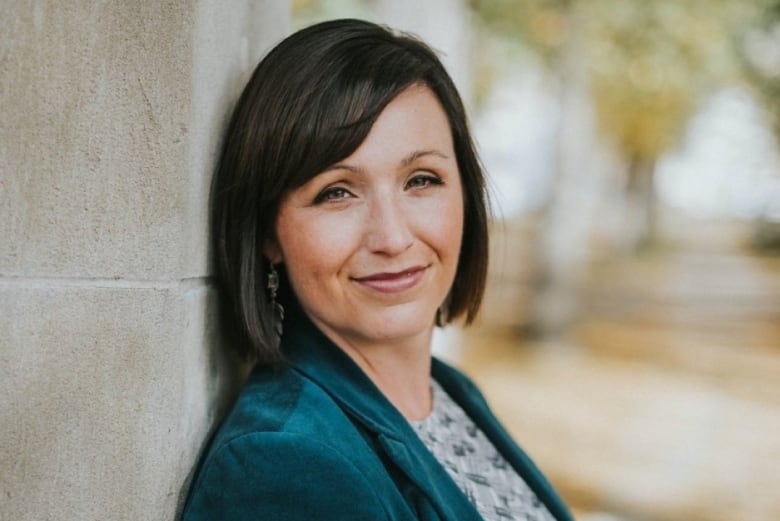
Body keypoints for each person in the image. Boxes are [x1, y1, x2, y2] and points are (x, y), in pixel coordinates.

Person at [182, 18, 573, 521]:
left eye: (422, 180)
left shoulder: (448, 393)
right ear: (269, 234)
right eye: (336, 192)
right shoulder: (282, 464)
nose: (391, 238)